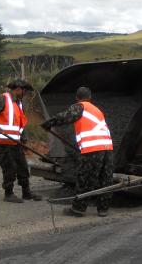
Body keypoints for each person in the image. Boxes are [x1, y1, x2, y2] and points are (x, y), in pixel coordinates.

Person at [41, 87, 114, 217]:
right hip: (107, 148)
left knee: (85, 178)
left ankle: (78, 209)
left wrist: (49, 123)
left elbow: (65, 117)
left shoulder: (80, 107)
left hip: (92, 149)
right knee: (105, 178)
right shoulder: (97, 110)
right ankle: (103, 209)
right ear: (90, 98)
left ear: (77, 98)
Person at [0, 79, 42, 203]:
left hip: (15, 142)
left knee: (22, 166)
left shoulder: (18, 103)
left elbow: (20, 124)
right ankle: (8, 194)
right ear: (18, 89)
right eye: (24, 91)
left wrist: (23, 138)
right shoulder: (3, 99)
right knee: (9, 168)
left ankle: (26, 192)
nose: (25, 93)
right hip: (2, 142)